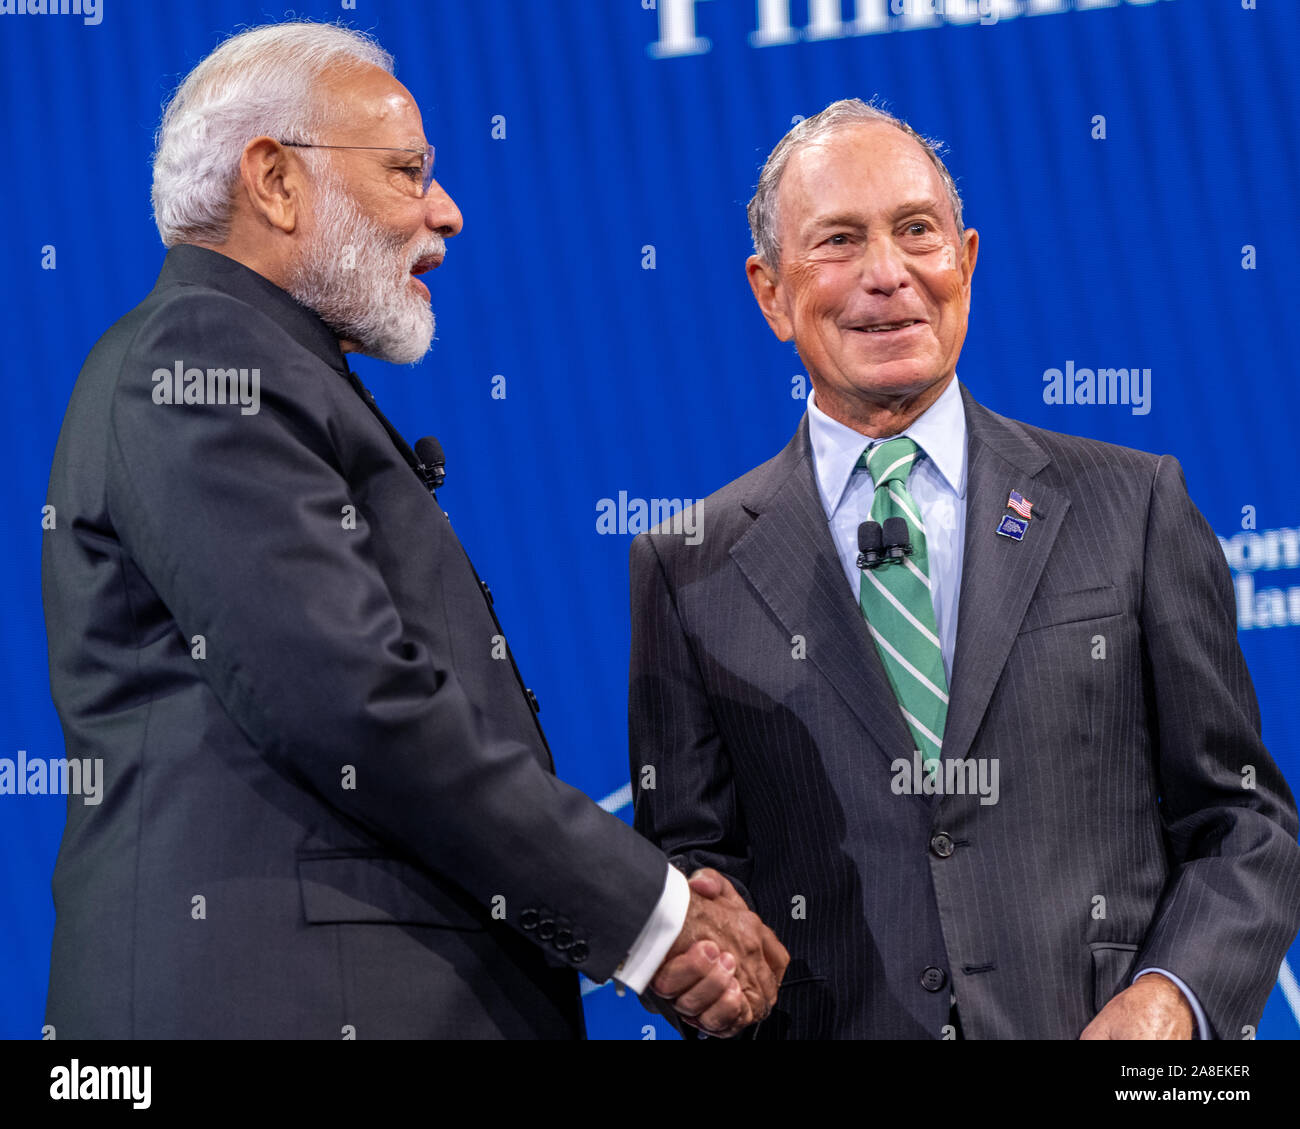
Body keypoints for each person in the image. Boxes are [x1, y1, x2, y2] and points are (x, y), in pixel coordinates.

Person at [41, 20, 786, 1039]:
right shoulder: (203, 354)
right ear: (274, 179)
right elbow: (348, 698)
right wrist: (653, 920)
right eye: (406, 172)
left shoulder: (268, 364)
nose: (446, 211)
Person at [628, 98, 1300, 1040]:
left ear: (967, 261)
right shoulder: (686, 565)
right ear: (771, 293)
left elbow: (1244, 821)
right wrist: (702, 961)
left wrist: (1171, 1003)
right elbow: (696, 872)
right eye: (838, 242)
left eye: (916, 231)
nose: (888, 275)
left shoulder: (1132, 503)